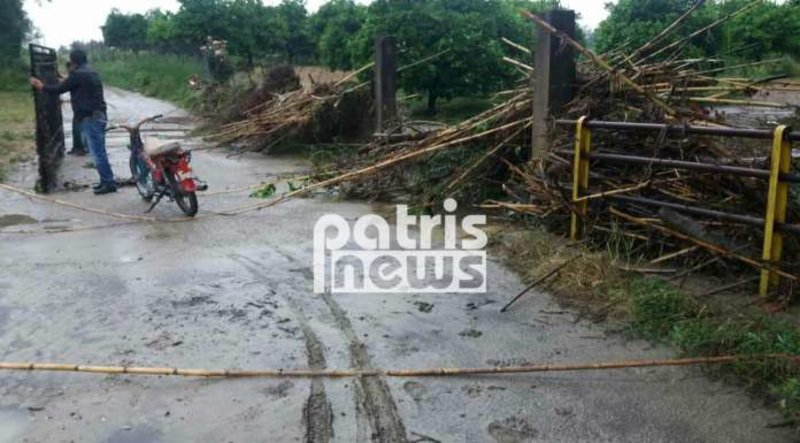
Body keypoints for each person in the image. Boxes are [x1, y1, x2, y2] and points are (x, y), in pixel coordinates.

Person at [30, 49, 116, 194]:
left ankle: (108, 183)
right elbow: (74, 83)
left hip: (91, 117)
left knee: (97, 152)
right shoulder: (90, 71)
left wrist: (41, 86)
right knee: (99, 150)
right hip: (99, 114)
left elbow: (59, 89)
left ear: (74, 61)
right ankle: (106, 181)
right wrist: (65, 79)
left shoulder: (78, 74)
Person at [64, 60, 87, 156]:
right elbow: (67, 81)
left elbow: (64, 86)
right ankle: (77, 147)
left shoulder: (77, 75)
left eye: (69, 68)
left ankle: (81, 148)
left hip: (81, 108)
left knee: (79, 128)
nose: (69, 71)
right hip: (79, 108)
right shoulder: (80, 74)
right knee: (77, 128)